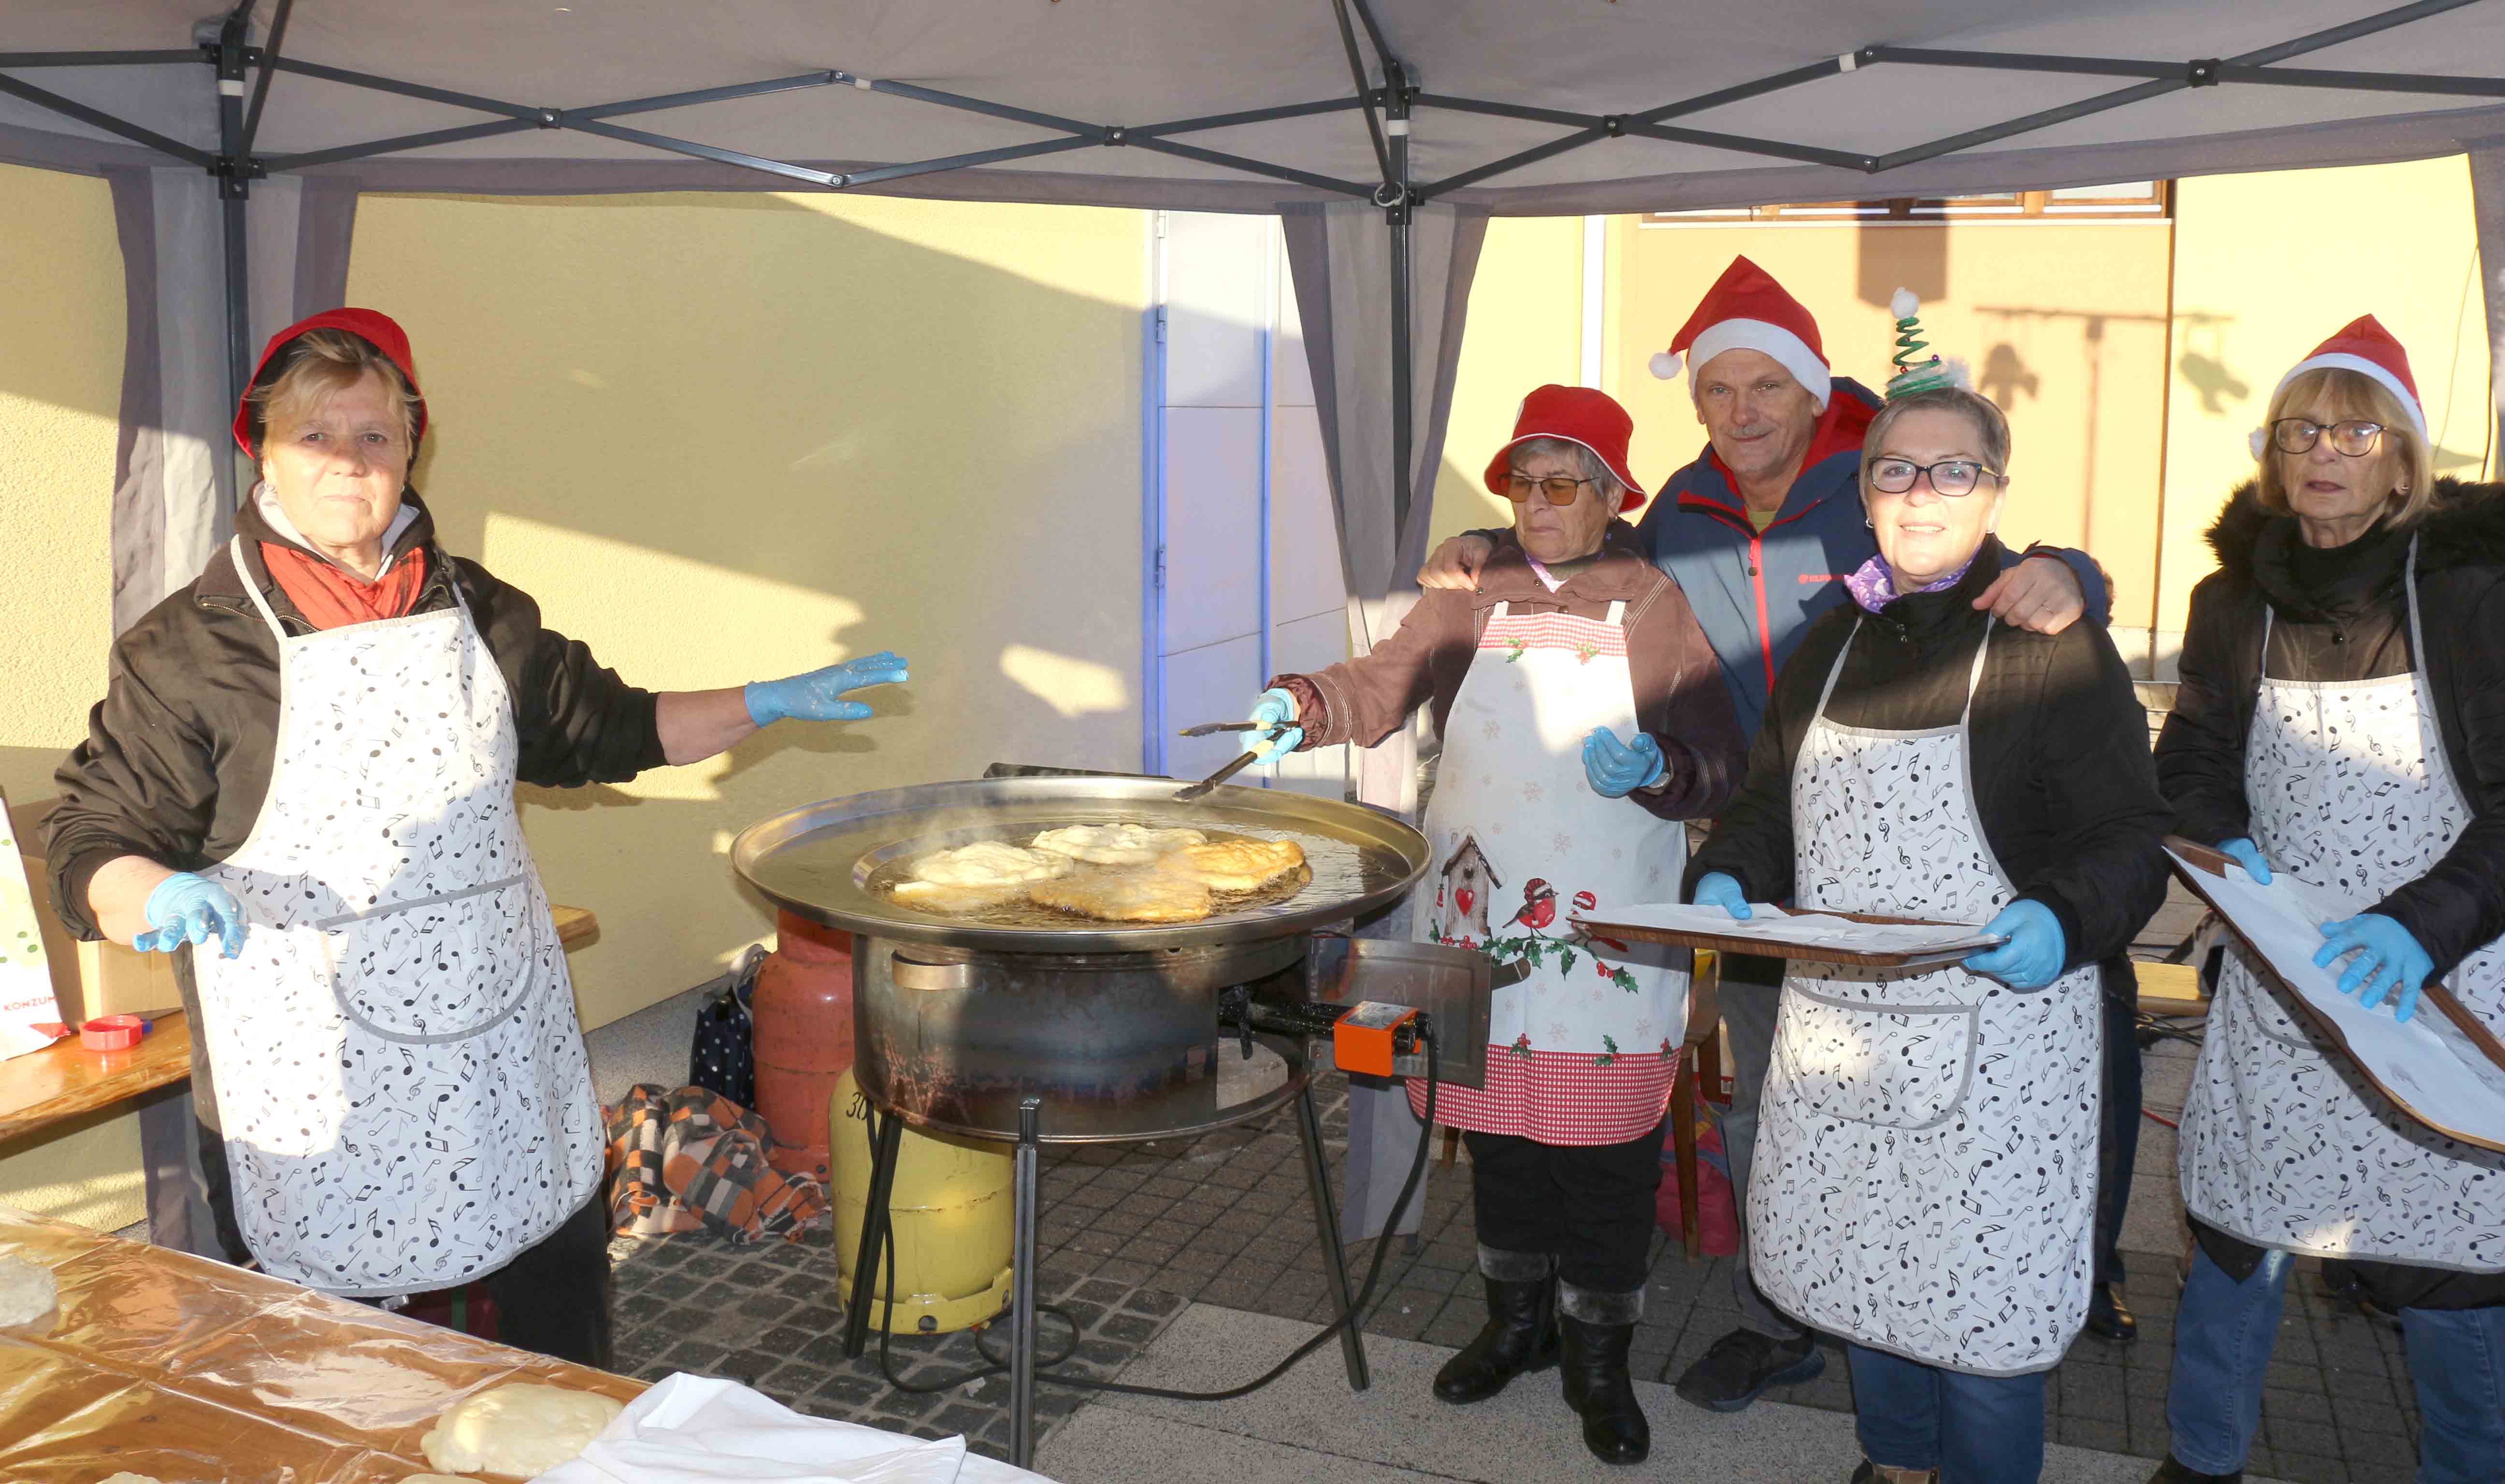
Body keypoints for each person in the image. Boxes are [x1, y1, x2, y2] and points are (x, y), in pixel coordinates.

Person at [45, 309, 910, 1368]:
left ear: (413, 443)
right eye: (316, 436)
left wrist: (764, 700)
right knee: (355, 1383)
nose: (349, 463)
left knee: (550, 1346)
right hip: (321, 1083)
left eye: (375, 435)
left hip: (503, 1055)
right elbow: (97, 834)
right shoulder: (193, 648)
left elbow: (611, 728)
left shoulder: (478, 611)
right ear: (262, 447)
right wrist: (153, 894)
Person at [1417, 258, 2133, 1414]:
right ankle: (1782, 1316)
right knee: (1776, 1103)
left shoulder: (1871, 485)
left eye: (1765, 387)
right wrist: (1476, 546)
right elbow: (1566, 538)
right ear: (1696, 407)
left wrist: (2077, 570)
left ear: (1811, 393)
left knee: (1951, 1125)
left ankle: (1984, 1306)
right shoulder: (1685, 510)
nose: (1743, 412)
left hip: (1911, 853)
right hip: (1751, 852)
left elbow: (1977, 541)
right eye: (1719, 390)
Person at [1684, 370, 2170, 1484]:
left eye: (1953, 470)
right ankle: (1895, 1465)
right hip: (1841, 1032)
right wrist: (1727, 874)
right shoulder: (1833, 642)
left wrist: (2061, 913)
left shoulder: (2053, 642)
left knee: (1984, 1319)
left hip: (2001, 1044)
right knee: (1869, 1281)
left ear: (1993, 491)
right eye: (1897, 469)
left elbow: (2131, 833)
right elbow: (1769, 802)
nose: (1921, 492)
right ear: (1865, 494)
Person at [1246, 385, 1744, 1465]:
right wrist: (1305, 703)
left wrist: (1666, 767)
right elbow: (1381, 683)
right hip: (1475, 919)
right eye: (1523, 478)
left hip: (1608, 939)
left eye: (1564, 482)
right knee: (1502, 1136)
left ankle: (1597, 1358)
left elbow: (1722, 758)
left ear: (1615, 495)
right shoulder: (1471, 594)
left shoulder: (1654, 601)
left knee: (1605, 1157)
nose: (1537, 500)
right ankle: (1512, 1325)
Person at [2148, 317, 2505, 1484]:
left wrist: (2415, 927)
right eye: (2300, 428)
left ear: (2402, 459)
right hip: (2284, 970)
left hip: (2441, 968)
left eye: (2354, 428)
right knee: (2240, 1244)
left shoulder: (2469, 593)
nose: (2324, 451)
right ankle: (2204, 1463)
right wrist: (2228, 849)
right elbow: (2195, 753)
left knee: (2455, 1277)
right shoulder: (2231, 600)